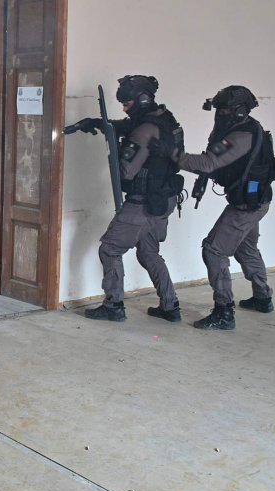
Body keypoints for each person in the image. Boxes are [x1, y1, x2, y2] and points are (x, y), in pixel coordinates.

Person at [151, 85, 275, 330]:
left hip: (246, 206)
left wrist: (172, 154)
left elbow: (208, 162)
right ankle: (263, 298)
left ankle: (224, 311)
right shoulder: (249, 127)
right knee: (246, 248)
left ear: (239, 111)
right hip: (257, 201)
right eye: (218, 110)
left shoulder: (240, 135)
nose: (219, 115)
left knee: (213, 250)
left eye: (224, 110)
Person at [67, 75, 185, 322]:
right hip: (164, 199)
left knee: (110, 249)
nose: (124, 109)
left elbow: (126, 171)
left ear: (142, 100)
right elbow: (127, 126)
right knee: (149, 252)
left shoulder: (143, 130)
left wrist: (118, 149)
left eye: (127, 104)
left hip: (142, 203)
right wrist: (99, 123)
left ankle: (114, 306)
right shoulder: (164, 119)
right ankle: (170, 306)